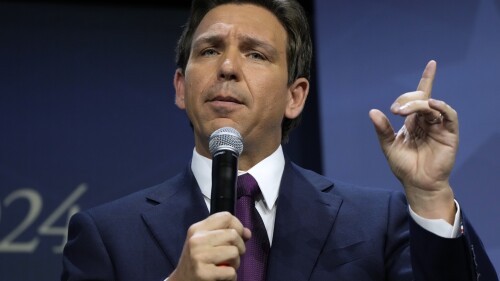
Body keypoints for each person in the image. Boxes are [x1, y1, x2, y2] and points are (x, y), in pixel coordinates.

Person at [61, 0, 498, 280]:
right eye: (210, 50)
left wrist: (429, 195)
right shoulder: (105, 235)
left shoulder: (377, 223)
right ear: (180, 87)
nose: (228, 67)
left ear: (295, 96)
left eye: (255, 53)